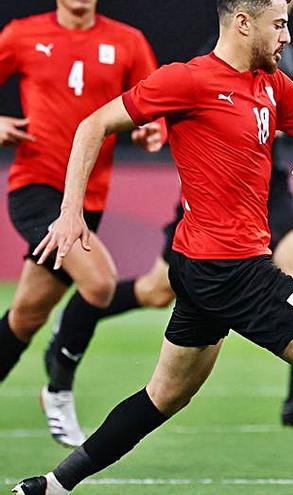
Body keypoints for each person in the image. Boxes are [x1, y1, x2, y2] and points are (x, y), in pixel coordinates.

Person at [11, 0, 293, 493]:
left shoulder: (271, 85)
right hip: (231, 270)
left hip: (207, 267)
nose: (287, 36)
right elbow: (92, 124)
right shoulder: (187, 80)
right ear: (244, 24)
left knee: (163, 396)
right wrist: (71, 212)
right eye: (280, 24)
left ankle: (50, 486)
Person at [41, 36, 293, 451]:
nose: (285, 26)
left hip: (268, 185)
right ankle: (79, 317)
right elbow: (182, 102)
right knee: (155, 290)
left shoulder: (281, 39)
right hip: (216, 198)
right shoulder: (231, 47)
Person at [0, 0, 164, 401]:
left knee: (27, 315)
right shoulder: (22, 34)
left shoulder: (127, 41)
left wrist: (152, 131)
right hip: (34, 186)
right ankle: (59, 387)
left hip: (89, 197)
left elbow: (155, 103)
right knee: (99, 282)